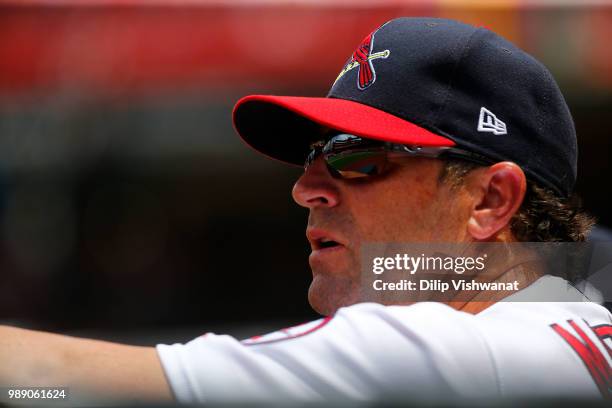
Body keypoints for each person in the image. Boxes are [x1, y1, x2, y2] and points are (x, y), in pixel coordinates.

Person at [0, 17, 610, 405]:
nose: (307, 188)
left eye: (357, 157)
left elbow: (56, 385)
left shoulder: (437, 354)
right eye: (313, 155)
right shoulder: (564, 318)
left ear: (490, 200)